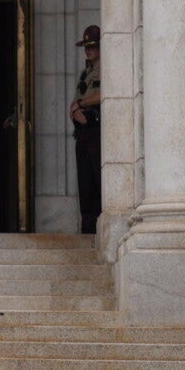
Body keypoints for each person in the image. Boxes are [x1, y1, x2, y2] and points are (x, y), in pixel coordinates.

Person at [70, 24, 102, 234]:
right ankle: (88, 227)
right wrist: (73, 111)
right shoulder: (86, 72)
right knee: (85, 182)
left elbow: (104, 95)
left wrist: (80, 106)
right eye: (86, 46)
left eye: (92, 46)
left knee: (97, 179)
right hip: (82, 131)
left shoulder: (105, 68)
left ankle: (98, 225)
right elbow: (76, 100)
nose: (88, 50)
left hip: (96, 128)